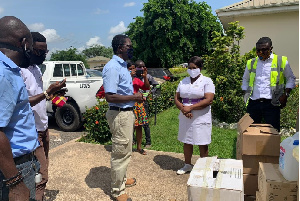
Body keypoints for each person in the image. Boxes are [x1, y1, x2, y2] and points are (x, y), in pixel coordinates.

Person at [20, 32, 66, 201]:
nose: (42, 56)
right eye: (39, 52)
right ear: (28, 48)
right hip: (31, 130)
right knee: (40, 176)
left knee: (41, 172)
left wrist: (54, 94)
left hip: (43, 127)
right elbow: (22, 101)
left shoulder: (36, 69)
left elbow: (39, 95)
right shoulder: (19, 71)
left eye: (45, 52)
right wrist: (48, 92)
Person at [0, 16, 40, 200]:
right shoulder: (5, 74)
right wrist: (15, 182)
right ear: (24, 43)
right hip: (15, 167)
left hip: (21, 163)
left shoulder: (10, 71)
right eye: (31, 46)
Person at [102, 34, 144, 201]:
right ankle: (117, 191)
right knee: (120, 152)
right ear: (120, 48)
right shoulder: (113, 67)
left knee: (125, 150)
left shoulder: (123, 66)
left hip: (125, 113)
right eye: (129, 46)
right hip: (119, 114)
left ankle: (123, 179)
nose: (131, 49)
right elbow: (110, 96)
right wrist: (134, 98)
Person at [242, 37, 296, 132]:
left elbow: (291, 78)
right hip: (254, 103)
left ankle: (272, 147)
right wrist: (245, 94)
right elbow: (245, 79)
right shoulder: (251, 63)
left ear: (271, 48)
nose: (261, 53)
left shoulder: (281, 61)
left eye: (264, 50)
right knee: (251, 132)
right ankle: (252, 147)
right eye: (258, 50)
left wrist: (286, 95)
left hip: (272, 103)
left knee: (273, 133)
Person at [174, 56, 215, 175]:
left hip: (201, 115)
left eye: (194, 68)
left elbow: (209, 99)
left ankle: (204, 167)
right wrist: (183, 109)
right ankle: (187, 164)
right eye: (189, 68)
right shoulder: (183, 81)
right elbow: (177, 98)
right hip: (185, 115)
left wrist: (190, 108)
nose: (192, 70)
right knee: (187, 140)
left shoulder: (207, 81)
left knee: (202, 141)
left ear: (200, 68)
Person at [127, 60, 150, 155]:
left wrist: (145, 77)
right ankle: (127, 148)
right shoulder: (124, 80)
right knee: (128, 127)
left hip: (138, 106)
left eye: (134, 68)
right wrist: (129, 76)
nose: (133, 70)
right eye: (130, 69)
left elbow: (146, 87)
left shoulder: (137, 80)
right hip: (128, 105)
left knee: (139, 126)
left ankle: (139, 147)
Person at [135, 60, 159, 149]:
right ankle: (134, 140)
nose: (141, 68)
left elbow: (157, 86)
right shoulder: (132, 76)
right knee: (135, 123)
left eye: (142, 66)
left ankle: (148, 141)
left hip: (143, 103)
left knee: (145, 123)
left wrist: (147, 94)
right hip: (133, 104)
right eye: (139, 66)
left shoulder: (148, 76)